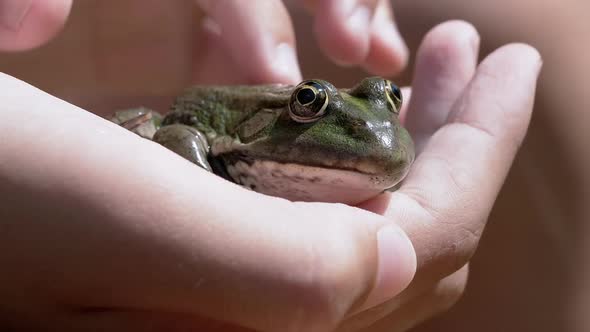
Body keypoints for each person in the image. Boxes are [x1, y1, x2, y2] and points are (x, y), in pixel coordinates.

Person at [0, 1, 541, 331]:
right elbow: (176, 132)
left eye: (387, 108)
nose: (375, 132)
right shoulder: (224, 134)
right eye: (310, 105)